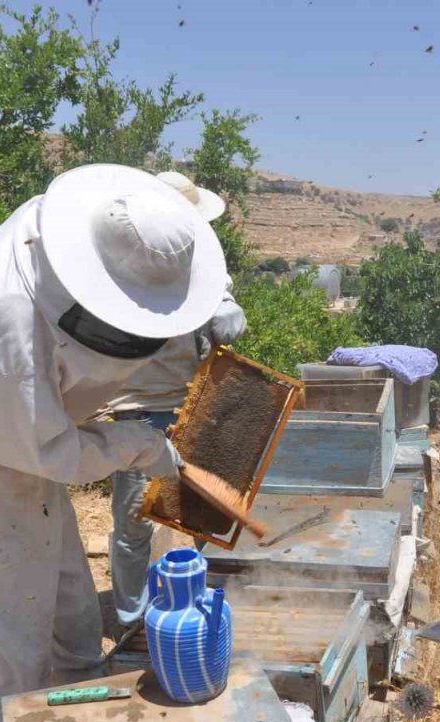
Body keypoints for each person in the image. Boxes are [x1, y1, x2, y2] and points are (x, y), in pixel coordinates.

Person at [0, 164, 233, 722]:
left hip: (23, 457)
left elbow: (43, 440)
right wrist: (137, 446)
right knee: (10, 645)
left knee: (69, 617)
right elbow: (38, 449)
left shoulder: (78, 233)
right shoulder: (11, 306)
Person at [105, 172, 246, 644]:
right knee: (137, 524)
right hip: (141, 412)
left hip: (192, 406)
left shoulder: (202, 264)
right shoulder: (117, 264)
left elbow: (227, 322)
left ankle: (212, 609)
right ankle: (136, 625)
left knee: (208, 514)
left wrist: (216, 300)